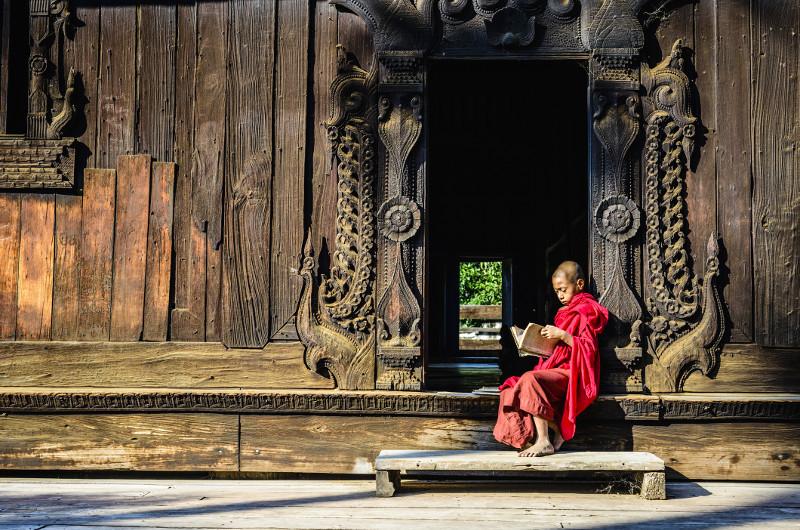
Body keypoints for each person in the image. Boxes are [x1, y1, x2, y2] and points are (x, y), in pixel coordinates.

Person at [493, 261, 608, 457]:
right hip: (556, 367)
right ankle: (547, 432)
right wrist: (536, 346)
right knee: (511, 387)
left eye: (563, 289)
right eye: (557, 291)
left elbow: (589, 348)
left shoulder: (587, 310)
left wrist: (563, 335)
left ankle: (544, 440)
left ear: (579, 284)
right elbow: (557, 350)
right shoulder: (563, 313)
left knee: (530, 379)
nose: (560, 295)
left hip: (573, 371)